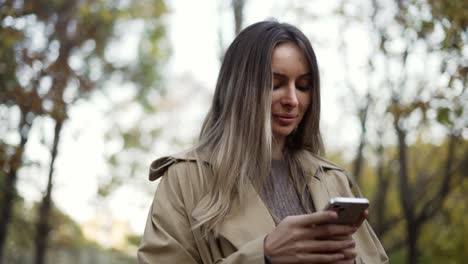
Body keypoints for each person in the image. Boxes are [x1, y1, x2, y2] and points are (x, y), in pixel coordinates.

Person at [138, 20, 388, 264]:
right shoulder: (186, 178)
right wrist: (265, 255)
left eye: (303, 86)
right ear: (239, 87)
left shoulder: (333, 179)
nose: (292, 100)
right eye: (275, 84)